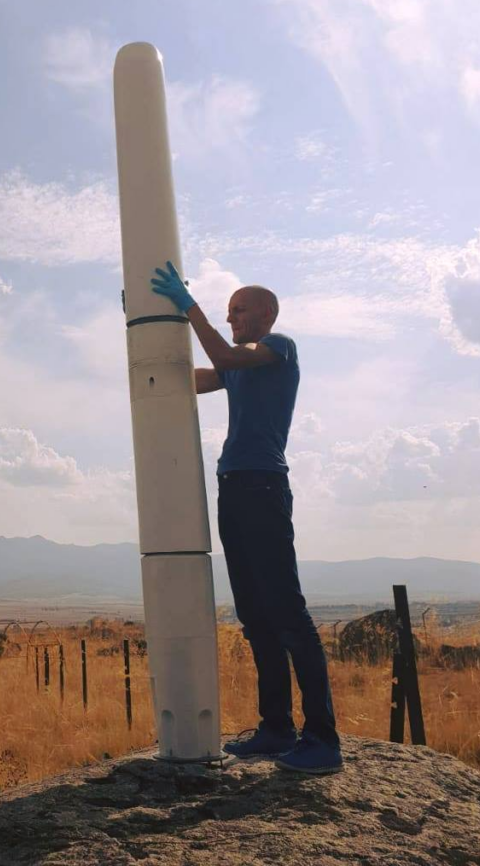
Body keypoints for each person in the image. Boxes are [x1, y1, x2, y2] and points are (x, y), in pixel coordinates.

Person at [150, 261, 342, 775]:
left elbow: (224, 355)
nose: (231, 315)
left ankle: (322, 738)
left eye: (239, 309)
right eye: (228, 310)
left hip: (262, 487)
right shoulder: (237, 368)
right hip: (233, 488)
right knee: (256, 618)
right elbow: (184, 380)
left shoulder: (278, 348)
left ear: (267, 314)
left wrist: (188, 307)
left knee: (287, 614)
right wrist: (147, 328)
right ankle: (276, 728)